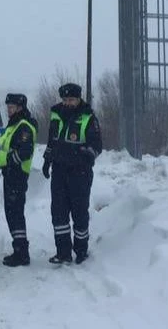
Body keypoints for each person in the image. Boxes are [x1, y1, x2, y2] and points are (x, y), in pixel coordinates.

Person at [42, 82, 102, 264]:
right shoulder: (56, 116)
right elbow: (52, 142)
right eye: (65, 99)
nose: (68, 103)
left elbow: (97, 146)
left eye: (71, 100)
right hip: (59, 171)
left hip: (80, 173)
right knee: (58, 212)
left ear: (78, 99)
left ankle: (81, 250)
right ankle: (63, 252)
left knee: (79, 213)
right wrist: (47, 160)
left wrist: (83, 157)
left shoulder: (88, 118)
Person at [0, 93, 37, 267]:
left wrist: (10, 162)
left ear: (20, 108)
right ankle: (18, 249)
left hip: (17, 175)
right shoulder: (13, 125)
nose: (8, 110)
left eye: (12, 107)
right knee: (11, 214)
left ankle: (22, 253)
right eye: (8, 107)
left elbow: (25, 151)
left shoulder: (23, 126)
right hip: (10, 175)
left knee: (15, 215)